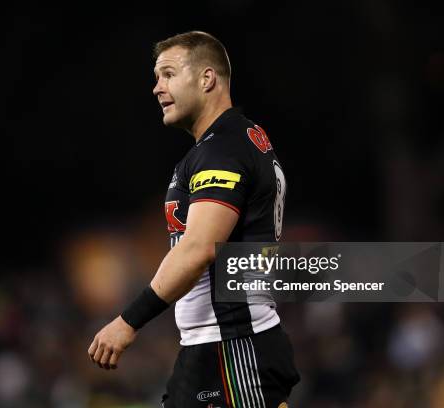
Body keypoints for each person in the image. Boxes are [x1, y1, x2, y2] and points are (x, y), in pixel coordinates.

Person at [88, 31, 300, 407]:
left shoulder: (223, 148)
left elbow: (200, 248)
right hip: (214, 347)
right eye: (156, 77)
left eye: (168, 74)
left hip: (233, 345)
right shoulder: (234, 141)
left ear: (207, 78)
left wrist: (128, 321)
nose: (157, 87)